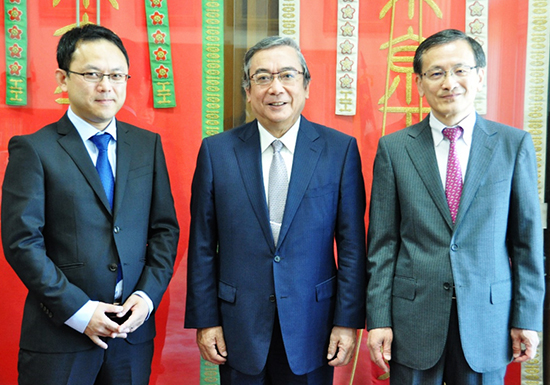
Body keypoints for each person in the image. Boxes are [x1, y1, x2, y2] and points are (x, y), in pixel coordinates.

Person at [1, 24, 179, 385]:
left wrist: (145, 298)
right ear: (62, 79)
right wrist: (80, 312)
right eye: (92, 74)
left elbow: (164, 230)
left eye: (116, 75)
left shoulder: (147, 146)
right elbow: (22, 243)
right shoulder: (34, 149)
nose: (106, 86)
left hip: (131, 336)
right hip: (60, 335)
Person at [366, 28, 545, 384]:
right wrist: (379, 319)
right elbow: (383, 245)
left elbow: (526, 243)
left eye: (460, 70)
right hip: (413, 319)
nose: (449, 83)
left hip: (488, 319)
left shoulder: (512, 145)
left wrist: (527, 318)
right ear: (419, 83)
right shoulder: (394, 149)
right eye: (436, 73)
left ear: (479, 75)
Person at [185, 36, 366, 384]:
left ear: (306, 85)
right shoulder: (217, 152)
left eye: (287, 75)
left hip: (314, 324)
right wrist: (206, 320)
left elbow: (352, 246)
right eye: (263, 78)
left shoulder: (339, 151)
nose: (275, 88)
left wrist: (347, 320)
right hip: (239, 325)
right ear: (248, 91)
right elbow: (203, 246)